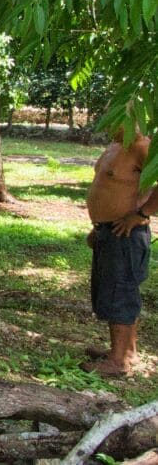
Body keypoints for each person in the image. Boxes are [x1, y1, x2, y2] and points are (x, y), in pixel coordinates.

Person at [84, 126, 157, 376]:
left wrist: (141, 214)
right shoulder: (116, 146)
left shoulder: (142, 147)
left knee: (120, 292)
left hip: (126, 234)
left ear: (132, 119)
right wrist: (98, 227)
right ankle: (127, 351)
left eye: (114, 120)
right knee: (113, 288)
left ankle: (117, 362)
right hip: (109, 232)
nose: (107, 126)